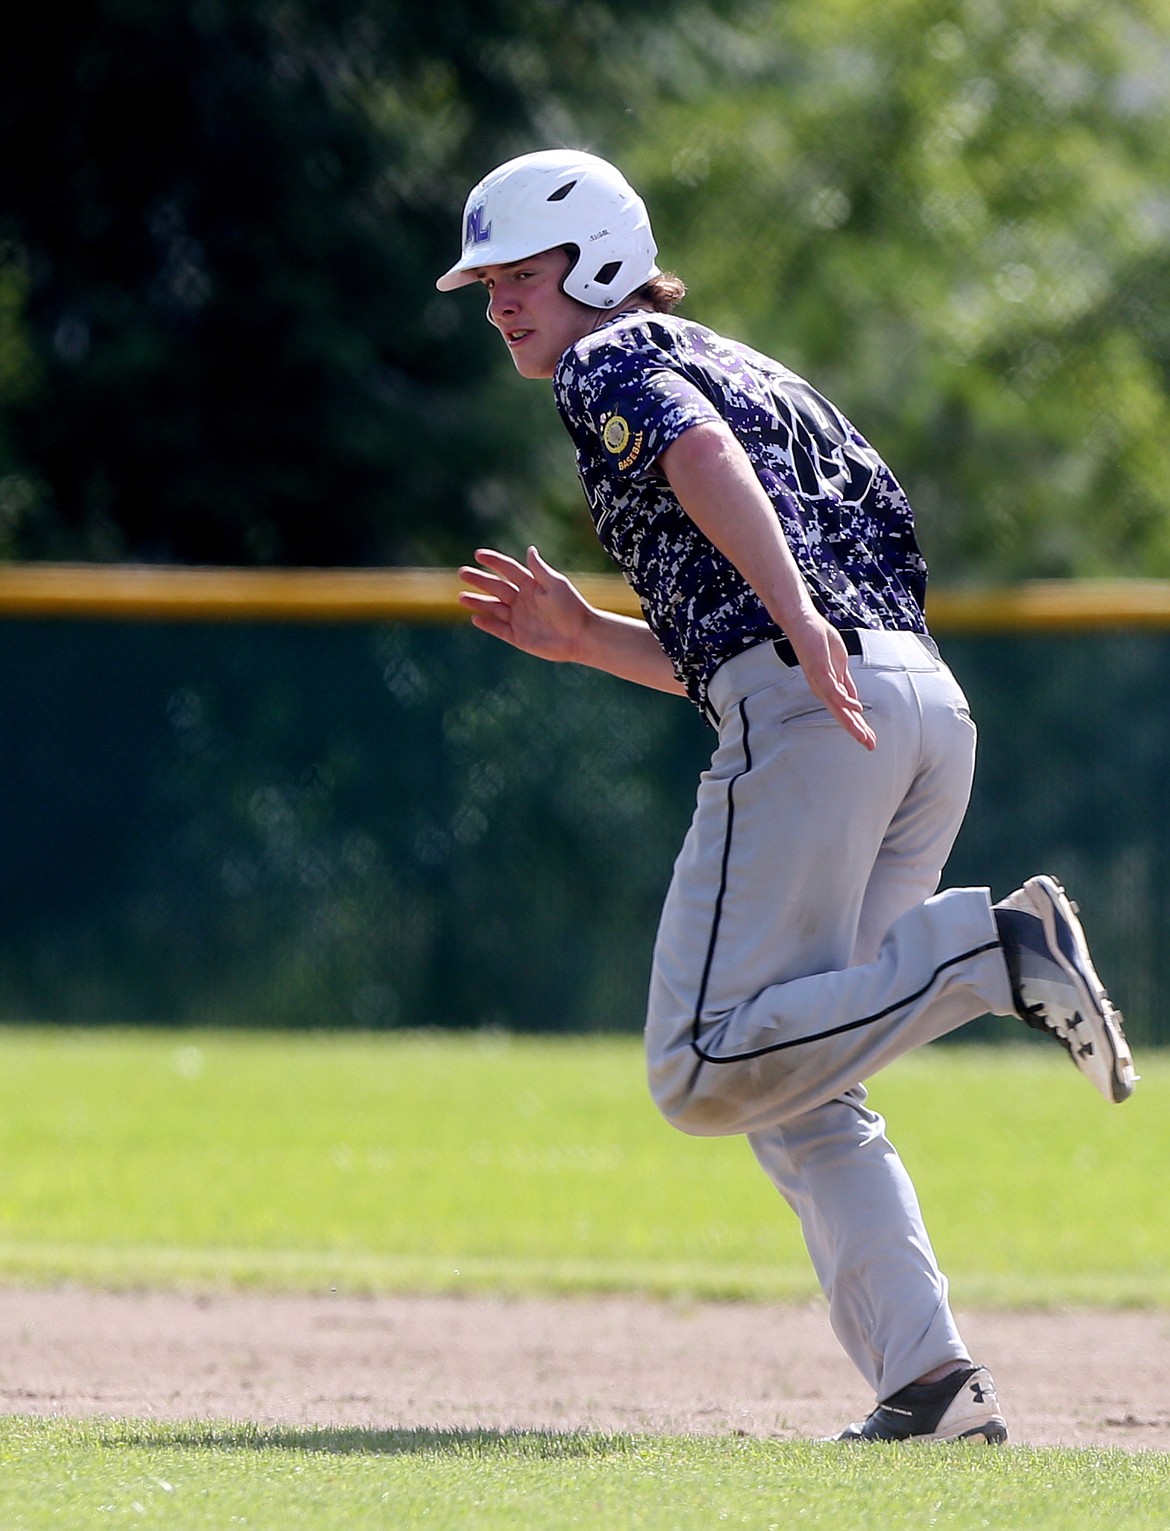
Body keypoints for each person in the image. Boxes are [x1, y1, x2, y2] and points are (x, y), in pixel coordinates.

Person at [436, 148, 1137, 1443]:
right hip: (915, 708)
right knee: (795, 1083)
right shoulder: (761, 371)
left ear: (594, 261)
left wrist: (795, 623)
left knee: (702, 1064)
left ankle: (991, 949)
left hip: (821, 707)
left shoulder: (611, 361)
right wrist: (596, 638)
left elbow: (701, 469)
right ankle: (925, 1386)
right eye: (483, 287)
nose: (499, 307)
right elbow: (776, 620)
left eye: (519, 276)